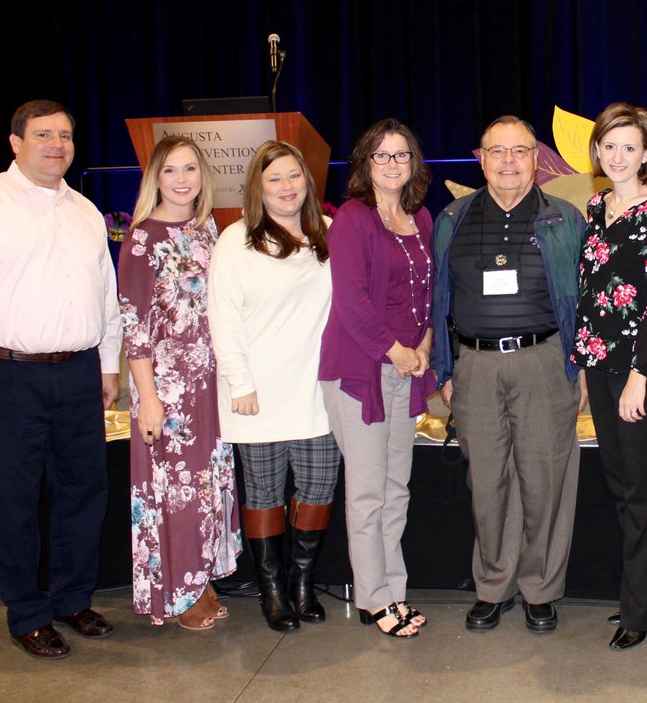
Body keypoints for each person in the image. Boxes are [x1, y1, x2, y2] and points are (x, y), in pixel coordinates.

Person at [0, 99, 120, 659]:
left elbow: (105, 298)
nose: (57, 144)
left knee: (85, 490)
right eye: (43, 134)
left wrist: (107, 366)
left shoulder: (85, 211)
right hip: (3, 374)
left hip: (79, 372)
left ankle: (72, 599)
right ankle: (28, 613)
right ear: (16, 142)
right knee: (11, 499)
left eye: (65, 135)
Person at [431, 115, 586, 634]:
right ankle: (493, 586)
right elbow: (440, 301)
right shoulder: (452, 218)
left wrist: (578, 365)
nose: (508, 162)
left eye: (519, 151)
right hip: (474, 365)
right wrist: (446, 368)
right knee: (487, 482)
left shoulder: (565, 218)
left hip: (543, 360)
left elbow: (582, 302)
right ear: (480, 158)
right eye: (497, 152)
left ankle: (540, 588)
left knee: (545, 480)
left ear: (536, 158)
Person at [208, 140, 338, 633]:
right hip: (255, 393)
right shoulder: (236, 240)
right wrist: (239, 381)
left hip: (317, 391)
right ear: (257, 190)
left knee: (319, 488)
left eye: (294, 176)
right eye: (274, 180)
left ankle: (303, 583)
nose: (287, 188)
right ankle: (273, 590)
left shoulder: (326, 233)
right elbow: (222, 318)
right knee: (263, 493)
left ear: (307, 180)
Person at [571, 103, 647, 651]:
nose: (618, 156)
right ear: (597, 151)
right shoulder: (596, 207)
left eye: (629, 147)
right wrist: (587, 367)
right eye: (609, 145)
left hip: (646, 371)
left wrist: (641, 374)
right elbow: (591, 294)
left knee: (641, 490)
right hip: (601, 365)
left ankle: (642, 610)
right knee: (621, 487)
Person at [118, 136, 241, 630]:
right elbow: (135, 327)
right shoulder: (143, 238)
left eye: (191, 169)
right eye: (171, 170)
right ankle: (179, 590)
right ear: (155, 178)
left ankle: (201, 576)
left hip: (209, 387)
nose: (183, 179)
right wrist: (147, 399)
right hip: (167, 392)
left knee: (205, 487)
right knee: (175, 491)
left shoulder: (207, 230)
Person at [319, 119, 436, 638]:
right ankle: (372, 598)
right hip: (360, 370)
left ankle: (394, 588)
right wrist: (396, 352)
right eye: (382, 156)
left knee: (397, 488)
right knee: (367, 493)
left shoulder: (422, 218)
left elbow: (431, 294)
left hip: (407, 368)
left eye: (401, 155)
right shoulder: (351, 219)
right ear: (365, 164)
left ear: (414, 163)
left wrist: (426, 343)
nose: (392, 164)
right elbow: (351, 300)